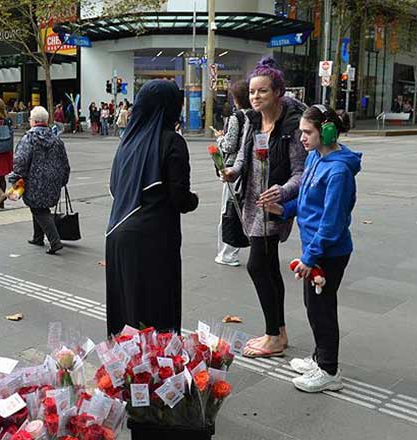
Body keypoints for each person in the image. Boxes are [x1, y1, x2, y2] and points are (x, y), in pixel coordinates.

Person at [264, 104, 361, 392]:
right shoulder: (316, 158)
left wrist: (309, 257)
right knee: (313, 305)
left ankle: (329, 371)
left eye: (307, 132)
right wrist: (282, 209)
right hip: (318, 249)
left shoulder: (339, 172)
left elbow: (331, 223)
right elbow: (307, 203)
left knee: (322, 310)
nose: (302, 138)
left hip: (328, 253)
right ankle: (320, 358)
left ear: (327, 131)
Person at [220, 57, 308, 358]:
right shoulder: (252, 120)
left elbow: (301, 172)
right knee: (269, 267)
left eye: (263, 91)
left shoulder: (291, 126)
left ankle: (273, 336)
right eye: (253, 92)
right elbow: (245, 157)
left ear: (278, 92)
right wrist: (232, 171)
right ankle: (279, 331)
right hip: (250, 202)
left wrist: (281, 192)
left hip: (273, 207)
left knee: (259, 265)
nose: (256, 97)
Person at [105, 80, 199, 336]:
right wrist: (194, 200)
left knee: (127, 312)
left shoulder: (126, 143)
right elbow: (180, 199)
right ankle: (157, 372)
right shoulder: (172, 142)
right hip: (153, 240)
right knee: (156, 312)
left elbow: (115, 188)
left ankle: (125, 371)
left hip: (117, 235)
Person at [8, 106, 71, 255]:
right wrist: (63, 180)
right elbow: (65, 163)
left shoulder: (29, 138)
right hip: (53, 181)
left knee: (38, 208)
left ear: (34, 121)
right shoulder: (56, 140)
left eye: (30, 119)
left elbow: (21, 161)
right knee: (39, 207)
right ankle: (38, 237)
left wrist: (15, 177)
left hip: (34, 181)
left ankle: (55, 241)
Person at [213, 79, 252, 267]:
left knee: (228, 210)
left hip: (232, 169)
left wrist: (220, 139)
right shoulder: (255, 115)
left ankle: (228, 253)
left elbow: (230, 145)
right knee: (240, 209)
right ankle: (233, 249)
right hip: (250, 168)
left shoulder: (237, 117)